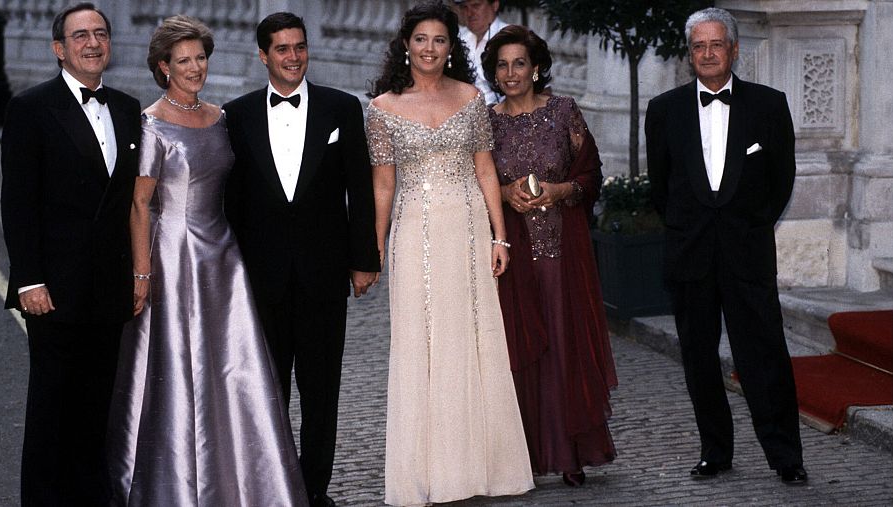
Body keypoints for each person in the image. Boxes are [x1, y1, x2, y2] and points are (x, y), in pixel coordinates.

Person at [107, 15, 308, 505]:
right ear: (163, 67)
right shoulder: (151, 123)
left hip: (223, 256)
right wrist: (140, 272)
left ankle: (243, 481)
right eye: (183, 60)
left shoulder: (221, 118)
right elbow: (139, 205)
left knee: (233, 370)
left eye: (200, 58)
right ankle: (174, 485)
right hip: (173, 256)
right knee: (179, 369)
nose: (195, 68)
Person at [367, 3, 534, 505]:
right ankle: (425, 474)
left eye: (440, 40)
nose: (430, 49)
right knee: (421, 346)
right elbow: (382, 187)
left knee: (475, 343)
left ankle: (482, 469)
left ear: (451, 47)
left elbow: (487, 172)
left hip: (467, 234)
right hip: (414, 233)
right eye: (421, 39)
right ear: (405, 44)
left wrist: (499, 237)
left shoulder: (471, 100)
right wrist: (375, 249)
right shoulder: (381, 109)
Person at [223, 12, 380, 507]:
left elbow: (361, 188)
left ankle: (315, 490)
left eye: (300, 47)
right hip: (260, 278)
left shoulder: (342, 108)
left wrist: (364, 261)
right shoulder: (237, 114)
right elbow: (231, 202)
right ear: (263, 55)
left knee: (321, 393)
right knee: (265, 391)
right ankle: (271, 485)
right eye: (282, 49)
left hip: (323, 275)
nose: (293, 57)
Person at [644, 7, 806, 484]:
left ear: (734, 50)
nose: (708, 53)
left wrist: (751, 227)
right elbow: (661, 186)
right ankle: (715, 452)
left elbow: (782, 180)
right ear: (689, 54)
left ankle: (786, 458)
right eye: (699, 46)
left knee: (765, 357)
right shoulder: (664, 109)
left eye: (716, 45)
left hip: (748, 254)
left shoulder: (769, 105)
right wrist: (686, 228)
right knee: (698, 360)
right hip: (689, 256)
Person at [0, 3, 141, 504]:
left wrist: (137, 276)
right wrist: (29, 280)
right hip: (54, 289)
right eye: (80, 35)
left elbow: (130, 204)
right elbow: (18, 202)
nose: (93, 42)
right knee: (50, 407)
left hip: (108, 288)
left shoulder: (127, 108)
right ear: (59, 48)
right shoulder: (31, 108)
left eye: (101, 33)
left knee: (96, 406)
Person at [481, 24, 618, 486]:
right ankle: (522, 457)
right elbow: (474, 184)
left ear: (537, 67)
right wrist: (504, 193)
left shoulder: (564, 113)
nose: (511, 72)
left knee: (563, 345)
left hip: (563, 252)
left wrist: (559, 190)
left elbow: (592, 174)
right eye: (502, 64)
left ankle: (569, 454)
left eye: (520, 62)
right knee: (519, 350)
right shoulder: (486, 122)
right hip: (511, 255)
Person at [454, 0, 506, 104]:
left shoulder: (514, 36)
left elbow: (541, 88)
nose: (469, 13)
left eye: (476, 5)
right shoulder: (458, 38)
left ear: (495, 5)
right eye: (465, 7)